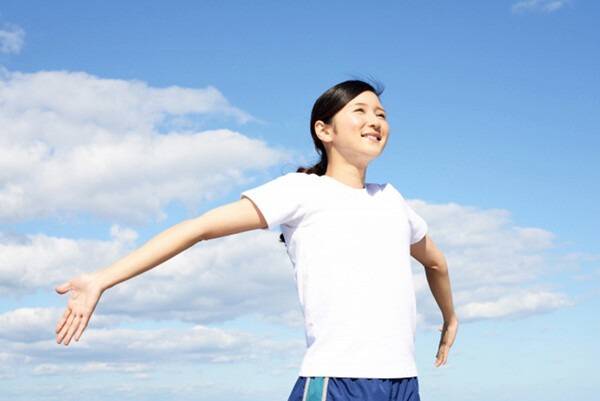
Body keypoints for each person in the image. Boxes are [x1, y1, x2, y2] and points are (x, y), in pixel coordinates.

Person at [55, 79, 458, 401]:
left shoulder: (392, 201)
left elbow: (436, 262)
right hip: (337, 380)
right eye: (361, 110)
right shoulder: (302, 191)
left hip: (403, 382)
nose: (375, 120)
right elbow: (198, 227)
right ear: (324, 130)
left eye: (381, 114)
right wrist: (101, 279)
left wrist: (450, 317)